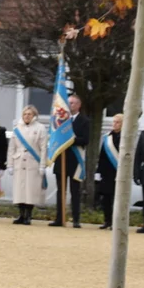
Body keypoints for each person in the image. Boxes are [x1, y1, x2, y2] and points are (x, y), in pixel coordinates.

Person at [49, 94, 90, 228]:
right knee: (61, 191)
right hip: (61, 159)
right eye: (69, 103)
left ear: (78, 105)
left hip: (75, 160)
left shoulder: (84, 121)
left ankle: (76, 219)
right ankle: (59, 218)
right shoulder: (61, 120)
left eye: (72, 103)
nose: (70, 105)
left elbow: (85, 140)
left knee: (75, 191)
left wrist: (71, 140)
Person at [9, 105, 48, 225]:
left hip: (33, 162)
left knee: (30, 191)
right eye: (25, 114)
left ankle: (28, 216)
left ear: (34, 115)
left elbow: (43, 148)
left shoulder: (40, 128)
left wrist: (42, 165)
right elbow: (12, 148)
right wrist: (10, 164)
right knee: (20, 190)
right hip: (19, 162)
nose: (27, 116)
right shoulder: (17, 128)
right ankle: (21, 215)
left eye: (29, 114)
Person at [95, 114, 123, 230]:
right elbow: (102, 156)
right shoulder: (108, 137)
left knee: (118, 199)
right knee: (106, 199)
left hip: (119, 173)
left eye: (117, 122)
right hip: (107, 173)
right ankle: (107, 221)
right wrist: (98, 172)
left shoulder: (125, 137)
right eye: (114, 122)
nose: (114, 124)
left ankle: (117, 222)